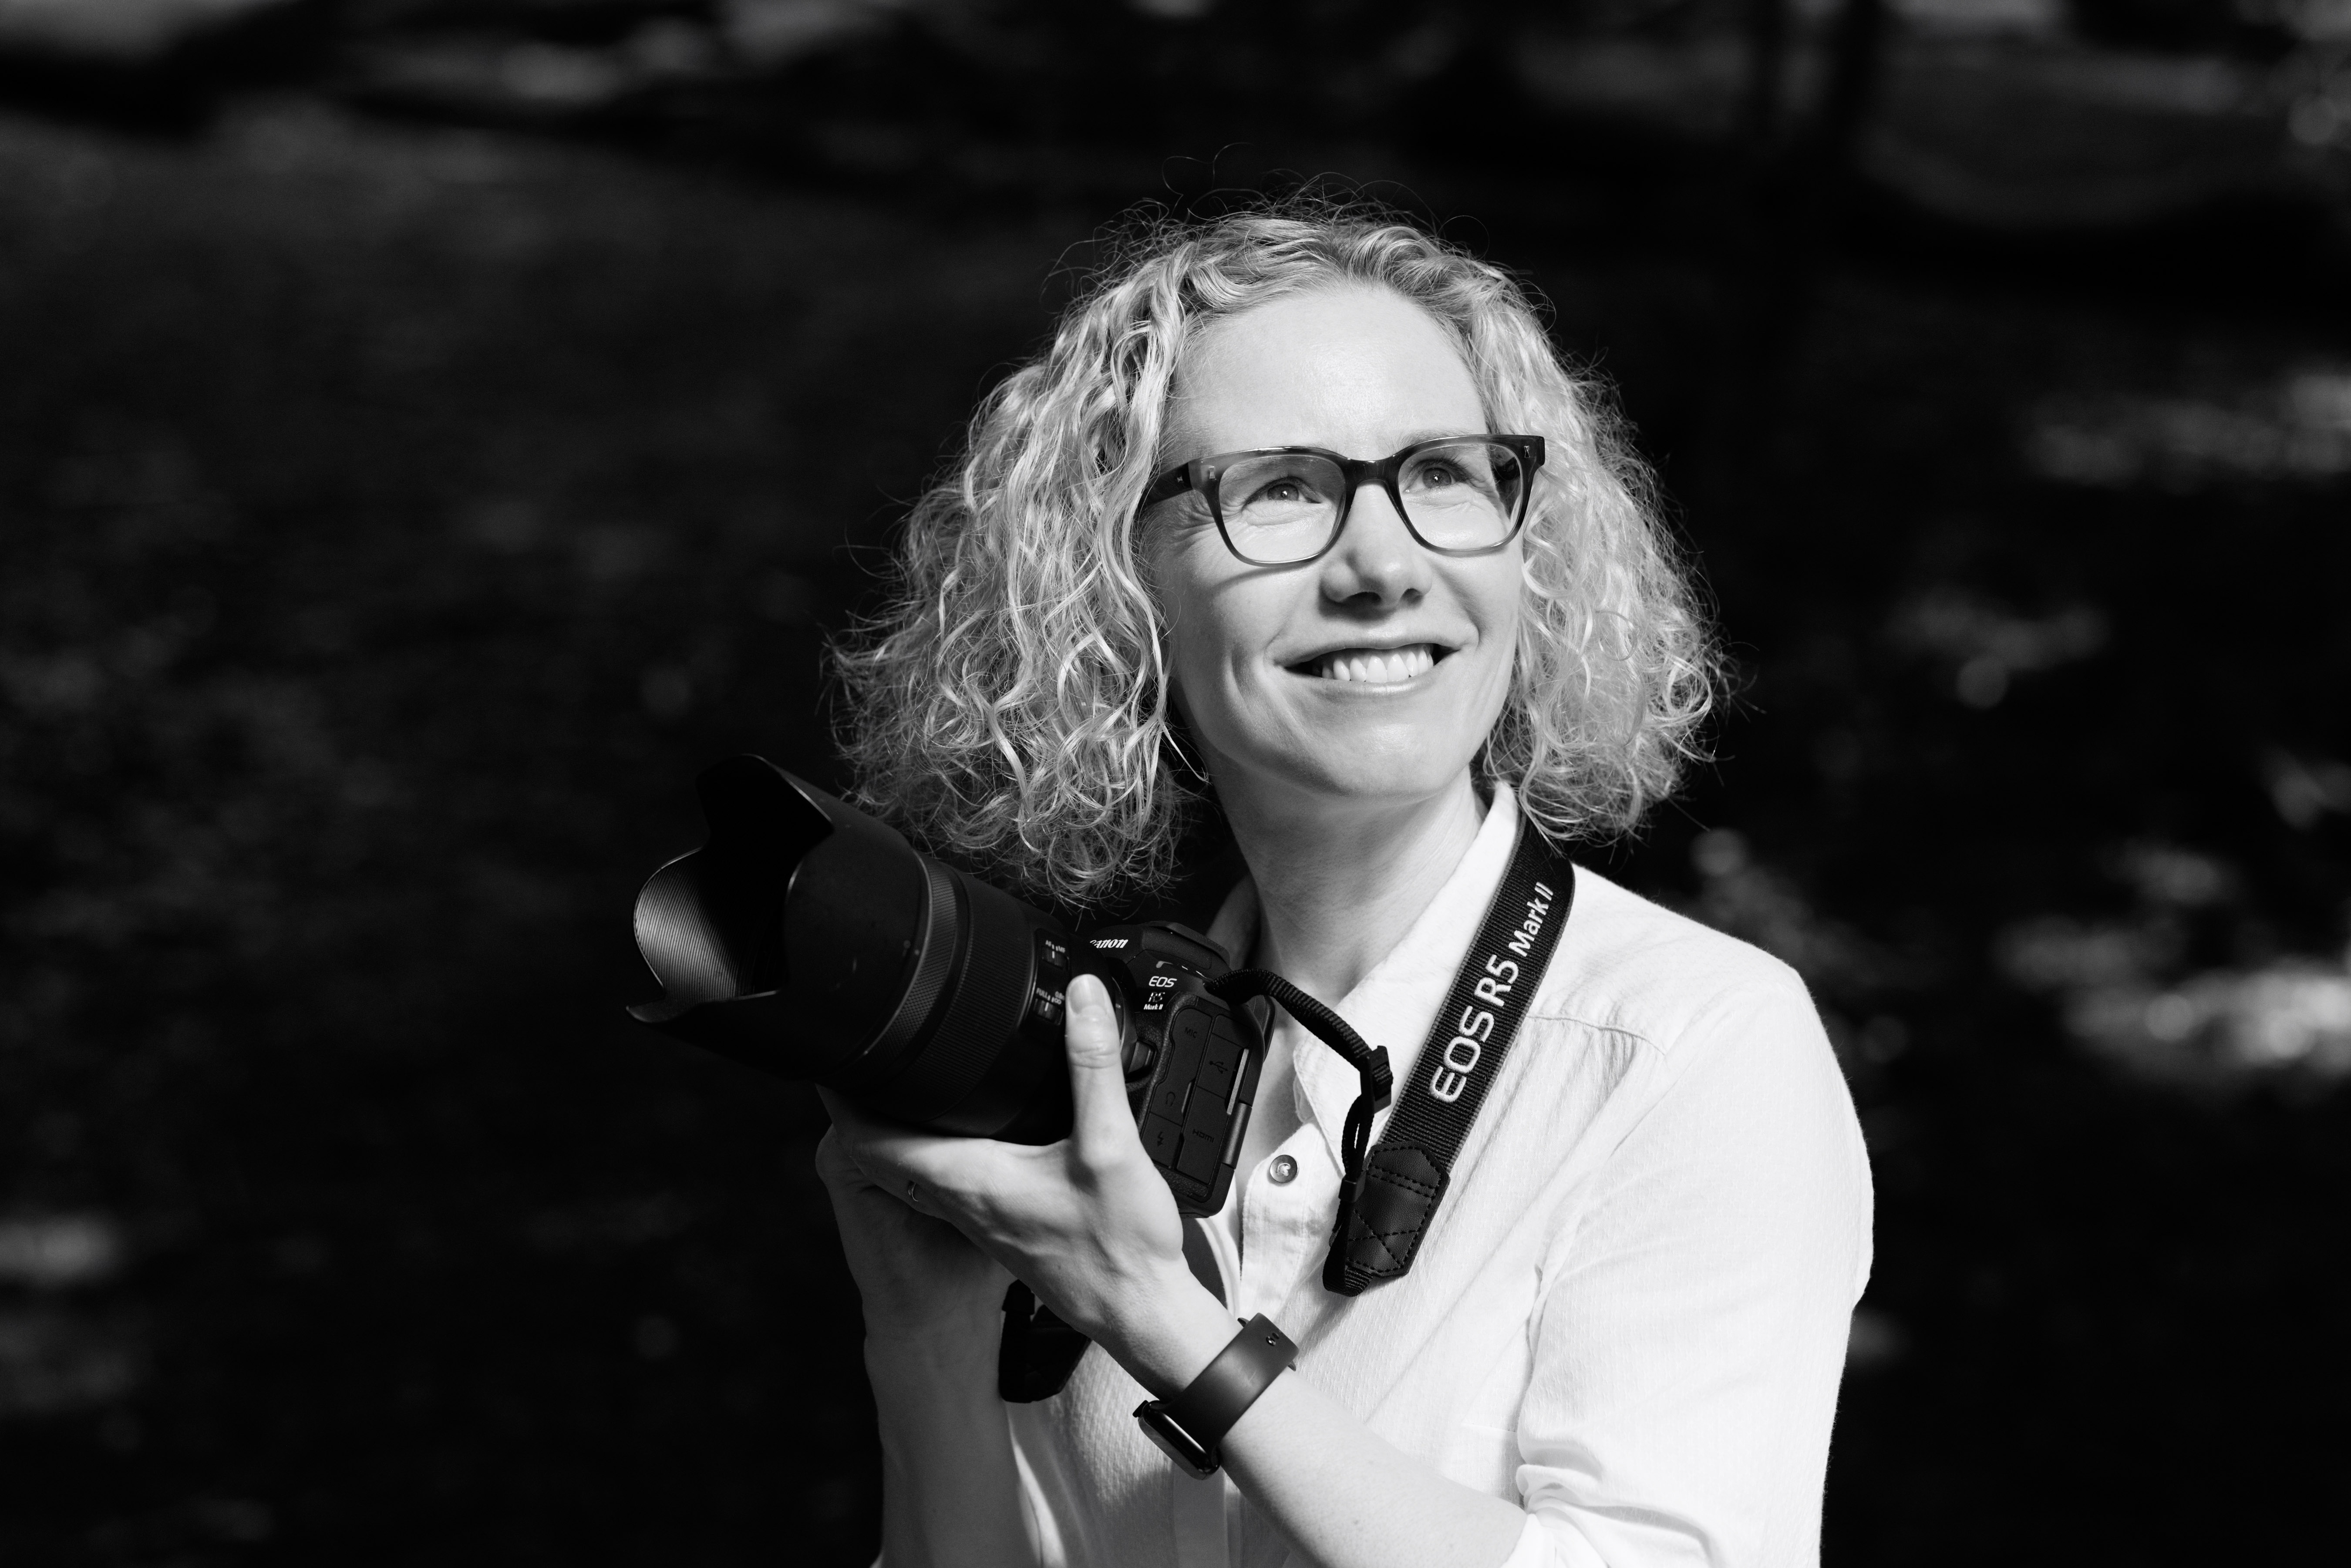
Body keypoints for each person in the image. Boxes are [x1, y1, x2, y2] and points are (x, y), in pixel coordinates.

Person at [817, 204, 1873, 1568]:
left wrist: (1164, 1318)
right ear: (1121, 581)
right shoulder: (1097, 1076)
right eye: (1280, 490)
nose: (1382, 565)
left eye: (1442, 473)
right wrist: (924, 1331)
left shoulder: (1687, 1048)